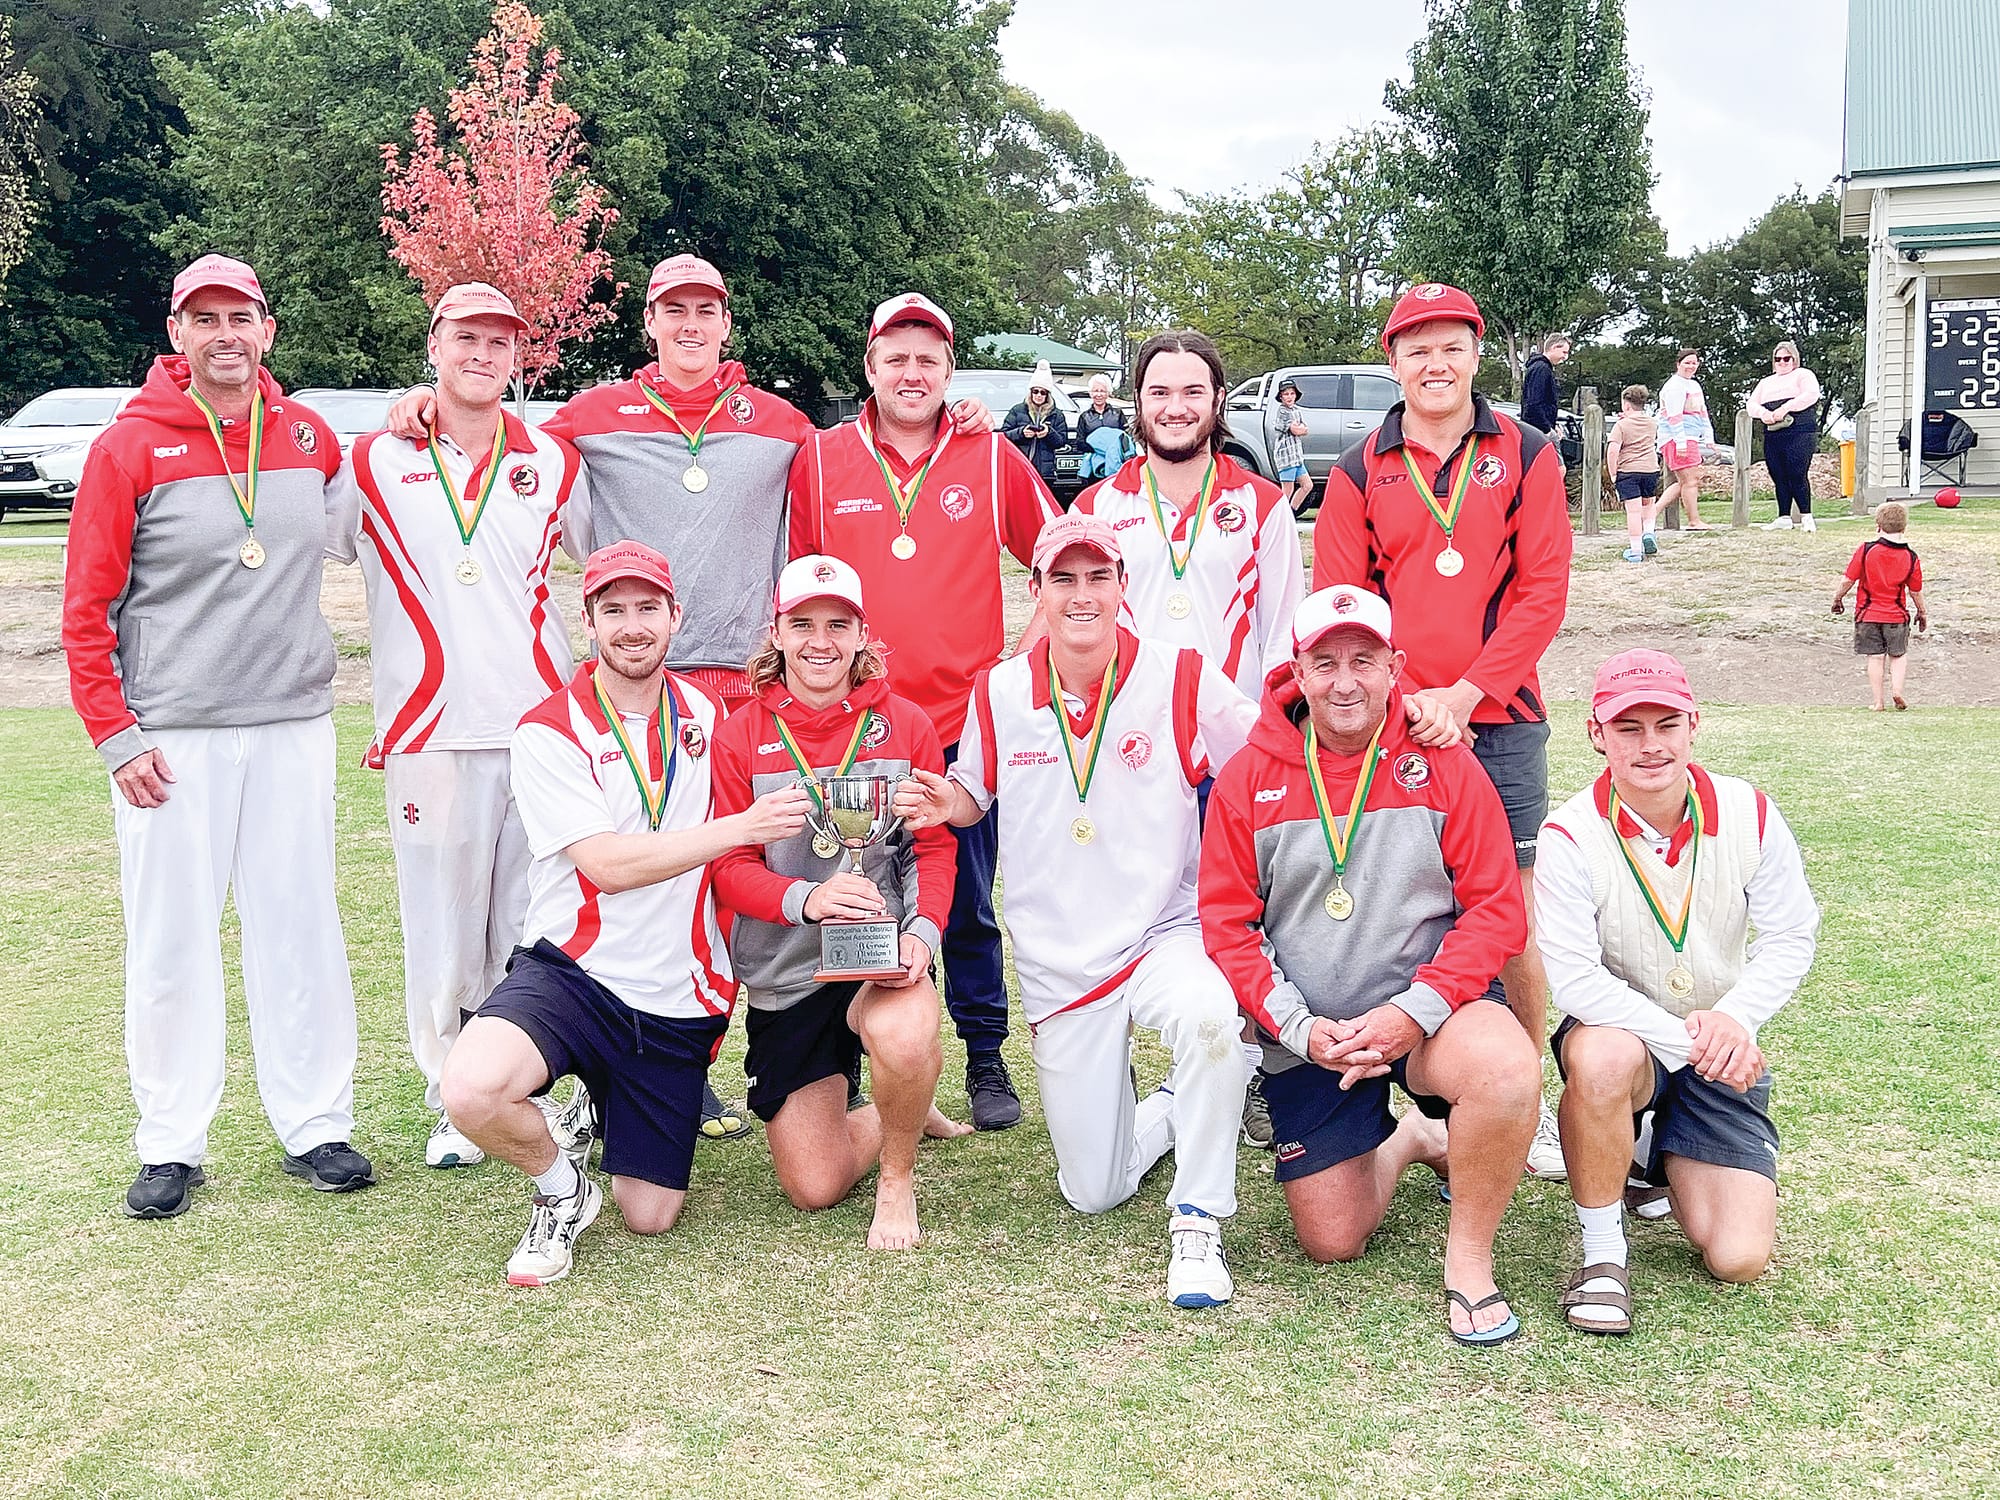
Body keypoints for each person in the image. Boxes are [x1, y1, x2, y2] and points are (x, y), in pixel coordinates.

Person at [384, 255, 991, 1141]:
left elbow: (869, 443)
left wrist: (954, 412)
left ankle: (885, 1052)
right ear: (651, 324)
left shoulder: (780, 424)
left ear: (727, 323)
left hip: (750, 681)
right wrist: (424, 407)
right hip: (649, 677)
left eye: (707, 311)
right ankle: (674, 1059)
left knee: (813, 858)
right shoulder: (593, 416)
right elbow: (502, 437)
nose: (692, 326)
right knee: (674, 879)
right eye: (675, 312)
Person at [61, 254, 373, 1218]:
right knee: (170, 941)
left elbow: (371, 490)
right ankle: (170, 1140)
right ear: (178, 334)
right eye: (205, 320)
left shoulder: (309, 434)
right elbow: (86, 608)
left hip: (291, 721)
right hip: (172, 739)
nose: (225, 335)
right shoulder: (128, 448)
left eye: (240, 316)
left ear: (267, 329)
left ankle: (316, 1122)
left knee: (300, 927)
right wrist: (117, 737)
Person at [896, 513, 1259, 1307]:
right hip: (1063, 957)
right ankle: (1169, 1109)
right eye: (1064, 578)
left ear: (1124, 587)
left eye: (1100, 577)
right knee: (1093, 1189)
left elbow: (1265, 758)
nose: (1083, 594)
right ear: (1036, 591)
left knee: (1210, 1023)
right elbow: (974, 793)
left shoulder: (1182, 673)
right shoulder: (998, 689)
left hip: (1167, 928)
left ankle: (1197, 1221)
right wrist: (940, 801)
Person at [439, 542, 815, 1286]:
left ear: (677, 617)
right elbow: (607, 866)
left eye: (648, 608)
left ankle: (594, 1102)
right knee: (472, 1089)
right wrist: (741, 827)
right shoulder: (549, 729)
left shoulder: (714, 714)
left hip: (678, 993)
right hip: (572, 974)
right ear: (589, 621)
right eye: (613, 609)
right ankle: (560, 1189)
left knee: (650, 1214)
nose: (632, 626)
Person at [1199, 584, 1539, 1345]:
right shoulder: (1248, 779)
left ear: (1396, 667)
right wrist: (1298, 1027)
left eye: (1364, 660)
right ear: (1297, 669)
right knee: (1331, 1239)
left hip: (1427, 1021)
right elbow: (1226, 923)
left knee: (1507, 1071)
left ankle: (1469, 1264)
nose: (1344, 681)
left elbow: (1496, 910)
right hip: (1313, 1034)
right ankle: (1416, 1138)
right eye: (1325, 662)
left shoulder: (1444, 761)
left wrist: (1410, 1014)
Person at [1311, 281, 1574, 1181]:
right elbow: (1343, 606)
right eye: (1415, 348)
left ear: (1476, 352)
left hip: (1498, 723)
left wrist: (1464, 695)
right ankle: (1389, 1098)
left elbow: (1543, 593)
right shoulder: (1354, 470)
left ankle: (1526, 1097)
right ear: (1393, 361)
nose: (1435, 363)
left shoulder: (1531, 453)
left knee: (1516, 921)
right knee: (1399, 905)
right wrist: (1416, 700)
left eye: (1451, 346)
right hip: (1388, 725)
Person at [327, 283, 590, 1169]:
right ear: (434, 345)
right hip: (426, 731)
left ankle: (523, 1082)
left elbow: (608, 563)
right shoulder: (373, 459)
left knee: (529, 916)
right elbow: (303, 543)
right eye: (466, 337)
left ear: (519, 358)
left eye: (500, 342)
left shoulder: (552, 460)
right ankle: (452, 1095)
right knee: (440, 926)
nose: (483, 354)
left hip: (535, 731)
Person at [789, 292, 1062, 1131]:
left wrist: (1025, 653)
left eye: (929, 359)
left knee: (968, 902)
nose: (913, 373)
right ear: (870, 368)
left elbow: (1060, 553)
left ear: (950, 371)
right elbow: (801, 588)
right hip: (859, 730)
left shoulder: (989, 454)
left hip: (958, 729)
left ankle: (984, 1057)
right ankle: (874, 1064)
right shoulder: (825, 456)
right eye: (896, 358)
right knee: (861, 892)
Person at [1535, 650, 1818, 1333]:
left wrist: (1735, 1019)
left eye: (1667, 724)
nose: (1651, 744)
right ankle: (1603, 1256)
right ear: (1595, 733)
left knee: (1737, 1256)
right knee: (1600, 1060)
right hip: (1626, 1034)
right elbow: (1575, 980)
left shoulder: (1750, 811)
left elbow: (1793, 935)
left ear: (1695, 724)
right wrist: (1699, 1040)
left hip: (1716, 1038)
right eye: (1628, 728)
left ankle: (1647, 1153)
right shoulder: (1569, 834)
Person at [709, 555, 971, 1249]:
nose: (820, 641)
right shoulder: (739, 736)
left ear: (862, 634)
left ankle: (898, 1175)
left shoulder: (907, 723)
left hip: (881, 957)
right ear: (779, 634)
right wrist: (806, 898)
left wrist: (921, 936)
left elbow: (935, 850)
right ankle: (905, 1106)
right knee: (814, 1186)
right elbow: (729, 867)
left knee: (907, 1036)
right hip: (787, 970)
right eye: (803, 625)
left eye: (837, 624)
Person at [1075, 330, 1303, 703]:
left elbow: (1283, 636)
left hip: (1234, 738)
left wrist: (1272, 734)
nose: (1176, 408)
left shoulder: (1264, 505)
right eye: (1160, 392)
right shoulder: (1093, 508)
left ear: (1218, 399)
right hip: (1124, 735)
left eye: (1193, 392)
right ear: (1138, 400)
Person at [1832, 501, 1927, 710]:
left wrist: (1838, 597)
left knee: (1875, 658)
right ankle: (1897, 691)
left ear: (1878, 525)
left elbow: (1848, 579)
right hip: (1896, 616)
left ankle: (1878, 702)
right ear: (1904, 527)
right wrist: (1922, 612)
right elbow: (1915, 591)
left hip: (1868, 615)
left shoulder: (1866, 550)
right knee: (1898, 655)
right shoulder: (1911, 557)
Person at [1750, 341, 1822, 533]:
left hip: (1799, 431)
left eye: (1786, 358)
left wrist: (1786, 408)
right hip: (1774, 432)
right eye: (1778, 359)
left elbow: (1811, 395)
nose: (1782, 362)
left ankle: (1806, 516)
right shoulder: (1766, 383)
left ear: (1794, 359)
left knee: (1797, 473)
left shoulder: (1803, 375)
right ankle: (1783, 516)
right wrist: (1763, 413)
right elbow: (1752, 404)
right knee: (1778, 473)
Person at [1656, 349, 1716, 531]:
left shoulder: (1694, 385)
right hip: (1677, 438)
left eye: (1694, 362)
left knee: (1686, 481)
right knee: (1690, 481)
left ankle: (1651, 512)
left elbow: (1702, 412)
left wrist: (1708, 437)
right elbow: (1674, 417)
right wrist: (1680, 443)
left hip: (1691, 437)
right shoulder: (1675, 386)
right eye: (1687, 362)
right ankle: (1693, 520)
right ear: (1678, 364)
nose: (1691, 366)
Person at [1606, 384, 1661, 564]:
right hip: (1650, 469)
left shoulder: (1621, 425)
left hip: (1629, 470)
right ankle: (1649, 532)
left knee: (1633, 511)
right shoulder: (1652, 423)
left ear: (1626, 405)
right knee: (1649, 503)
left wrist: (1613, 473)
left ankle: (1636, 551)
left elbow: (1613, 450)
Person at [1002, 359, 1070, 489]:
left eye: (1043, 392)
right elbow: (1004, 436)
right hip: (1021, 469)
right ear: (1031, 392)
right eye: (1035, 391)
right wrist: (1021, 432)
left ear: (1048, 395)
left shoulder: (1057, 414)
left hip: (1046, 473)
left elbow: (1061, 441)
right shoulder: (1017, 410)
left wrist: (1048, 433)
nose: (1038, 395)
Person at [1074, 373, 1129, 481]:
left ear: (1108, 393)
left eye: (1102, 391)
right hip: (1093, 469)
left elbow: (1125, 438)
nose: (1099, 394)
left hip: (1116, 467)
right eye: (1096, 391)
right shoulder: (1084, 417)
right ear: (1090, 393)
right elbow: (1079, 443)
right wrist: (1099, 449)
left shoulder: (1118, 414)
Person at [1271, 379, 1313, 512]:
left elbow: (1305, 429)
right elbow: (1296, 430)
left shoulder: (1296, 410)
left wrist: (1301, 428)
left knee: (1307, 485)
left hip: (1296, 456)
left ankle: (1291, 512)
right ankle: (1278, 515)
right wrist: (1299, 428)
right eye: (1286, 394)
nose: (1289, 397)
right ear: (1281, 397)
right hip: (1286, 457)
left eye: (1291, 393)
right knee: (1287, 490)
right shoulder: (1282, 412)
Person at [1521, 334, 1570, 438]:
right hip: (1538, 431)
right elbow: (1534, 403)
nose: (1565, 357)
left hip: (1537, 429)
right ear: (1554, 347)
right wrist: (1546, 429)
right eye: (1564, 352)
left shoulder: (1539, 367)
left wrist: (1552, 425)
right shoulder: (1542, 369)